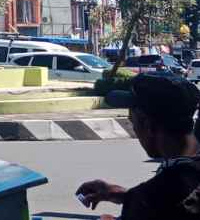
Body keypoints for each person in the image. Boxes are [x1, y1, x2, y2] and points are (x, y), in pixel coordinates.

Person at [77, 72, 200, 219]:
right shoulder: (185, 174)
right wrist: (127, 196)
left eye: (132, 122)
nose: (134, 130)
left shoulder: (147, 199)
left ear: (148, 126)